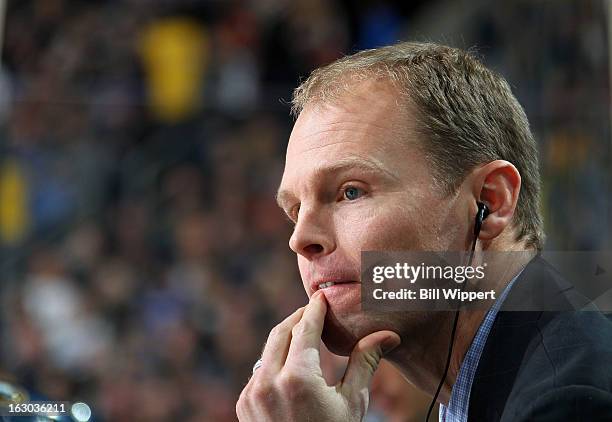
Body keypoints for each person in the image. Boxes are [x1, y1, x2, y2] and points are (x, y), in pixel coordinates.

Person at [236, 42, 612, 421]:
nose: (300, 239)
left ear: (490, 201)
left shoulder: (571, 401)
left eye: (350, 192)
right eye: (296, 210)